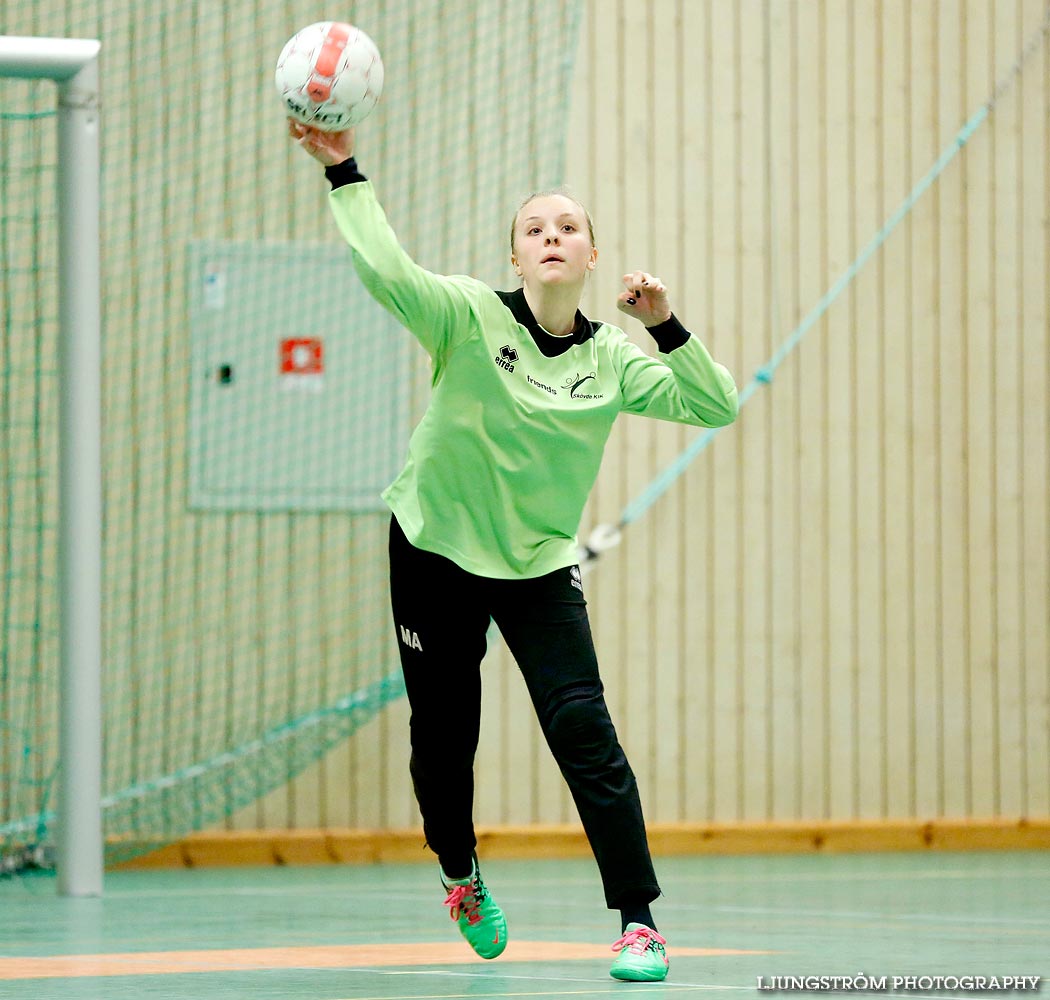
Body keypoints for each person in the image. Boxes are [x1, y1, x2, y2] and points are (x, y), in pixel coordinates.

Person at [289, 119, 739, 982]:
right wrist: (344, 169)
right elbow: (387, 270)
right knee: (444, 737)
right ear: (517, 259)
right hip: (435, 549)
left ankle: (639, 923)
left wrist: (668, 324)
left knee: (583, 727)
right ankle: (460, 875)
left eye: (568, 227)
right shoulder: (465, 316)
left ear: (593, 255)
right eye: (535, 229)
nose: (552, 237)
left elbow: (714, 405)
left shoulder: (612, 359)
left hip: (536, 563)